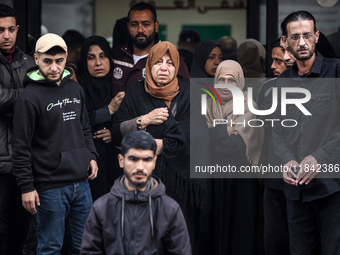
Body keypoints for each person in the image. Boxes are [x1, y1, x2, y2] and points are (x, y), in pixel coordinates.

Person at [112, 41, 210, 255]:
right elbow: (116, 130)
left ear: (177, 66)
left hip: (183, 182)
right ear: (148, 66)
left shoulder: (191, 93)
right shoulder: (136, 92)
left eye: (169, 63)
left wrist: (162, 145)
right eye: (157, 62)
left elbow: (200, 135)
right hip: (146, 180)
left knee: (181, 239)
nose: (164, 68)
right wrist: (143, 120)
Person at [12, 33, 98, 254]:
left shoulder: (76, 89)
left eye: (59, 60)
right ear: (36, 59)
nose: (54, 67)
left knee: (86, 247)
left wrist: (91, 156)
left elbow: (85, 128)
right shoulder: (28, 98)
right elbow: (20, 147)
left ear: (66, 58)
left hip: (81, 183)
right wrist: (27, 187)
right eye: (47, 61)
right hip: (49, 187)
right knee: (50, 248)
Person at [273, 11, 340, 255]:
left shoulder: (335, 72)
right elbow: (276, 131)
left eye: (307, 35)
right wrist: (287, 159)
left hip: (333, 187)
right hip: (295, 191)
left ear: (317, 37)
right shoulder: (282, 83)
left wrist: (319, 157)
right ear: (285, 41)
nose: (302, 42)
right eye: (295, 37)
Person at [81, 130, 192, 254]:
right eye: (133, 159)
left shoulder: (169, 209)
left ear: (154, 162)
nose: (140, 167)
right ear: (121, 160)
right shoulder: (102, 208)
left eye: (146, 160)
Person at [206, 60, 264, 255]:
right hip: (213, 181)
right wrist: (226, 130)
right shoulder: (208, 105)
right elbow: (199, 143)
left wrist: (213, 132)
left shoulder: (249, 106)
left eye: (231, 80)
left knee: (240, 235)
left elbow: (234, 148)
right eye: (220, 79)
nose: (225, 84)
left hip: (241, 182)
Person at [0, 4, 35, 254]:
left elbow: (40, 100)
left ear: (17, 29)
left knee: (22, 229)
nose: (6, 35)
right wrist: (25, 99)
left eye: (11, 29)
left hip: (25, 161)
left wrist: (15, 103)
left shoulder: (30, 61)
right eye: (0, 30)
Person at [74, 35, 125, 201]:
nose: (98, 63)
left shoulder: (118, 84)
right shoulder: (76, 86)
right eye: (91, 57)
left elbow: (130, 118)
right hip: (88, 166)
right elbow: (75, 119)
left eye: (103, 56)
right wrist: (108, 110)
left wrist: (113, 132)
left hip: (117, 162)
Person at [111, 2, 190, 96]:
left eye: (146, 24)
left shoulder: (171, 60)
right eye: (134, 24)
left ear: (156, 26)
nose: (140, 30)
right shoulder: (116, 55)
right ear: (128, 27)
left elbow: (186, 97)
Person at [256, 38, 290, 255]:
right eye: (273, 60)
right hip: (273, 175)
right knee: (274, 238)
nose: (272, 66)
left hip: (304, 176)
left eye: (279, 61)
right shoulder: (268, 88)